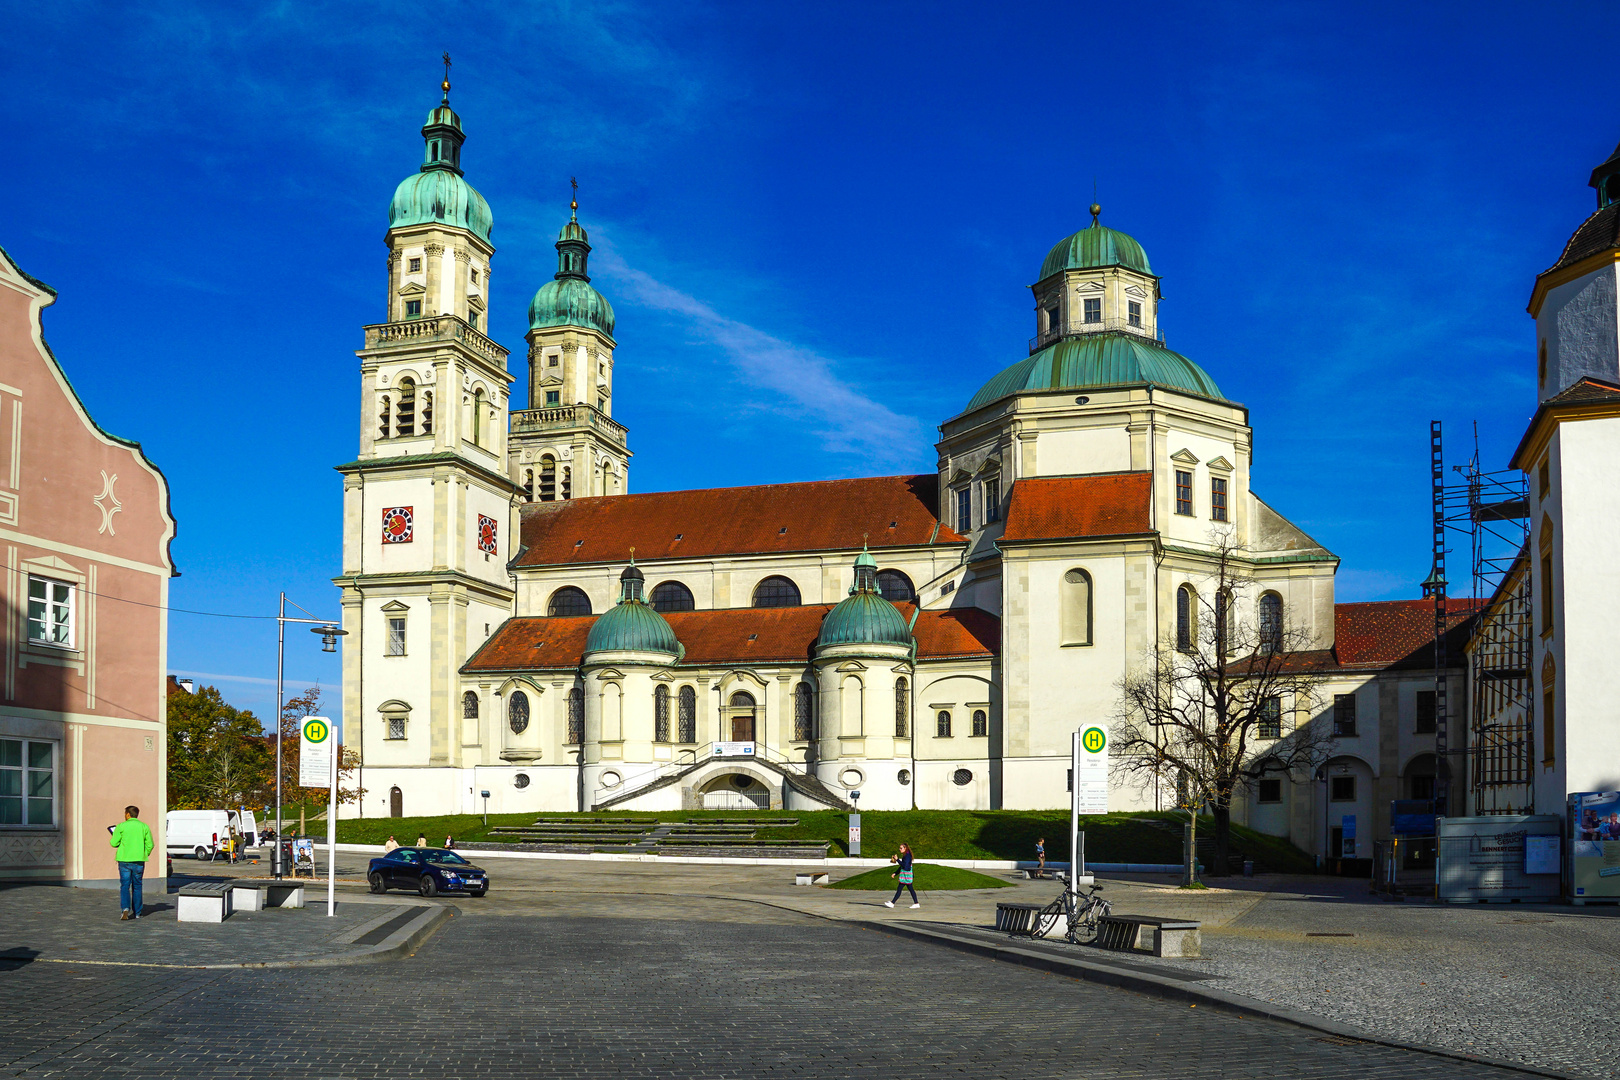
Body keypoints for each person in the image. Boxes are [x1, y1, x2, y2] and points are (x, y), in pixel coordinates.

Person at [109, 805, 154, 920]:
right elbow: (150, 844)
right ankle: (138, 912)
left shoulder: (121, 826)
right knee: (137, 886)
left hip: (124, 860)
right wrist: (144, 853)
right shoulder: (144, 826)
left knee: (125, 885)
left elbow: (114, 843)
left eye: (125, 813)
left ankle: (125, 908)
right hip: (139, 860)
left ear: (128, 814)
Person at [884, 842, 919, 909]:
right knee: (910, 889)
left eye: (901, 848)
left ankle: (892, 903)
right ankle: (916, 903)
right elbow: (902, 866)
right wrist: (895, 873)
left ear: (905, 848)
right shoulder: (906, 855)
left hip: (906, 876)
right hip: (907, 876)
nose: (899, 849)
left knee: (900, 889)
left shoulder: (907, 856)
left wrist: (897, 860)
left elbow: (904, 866)